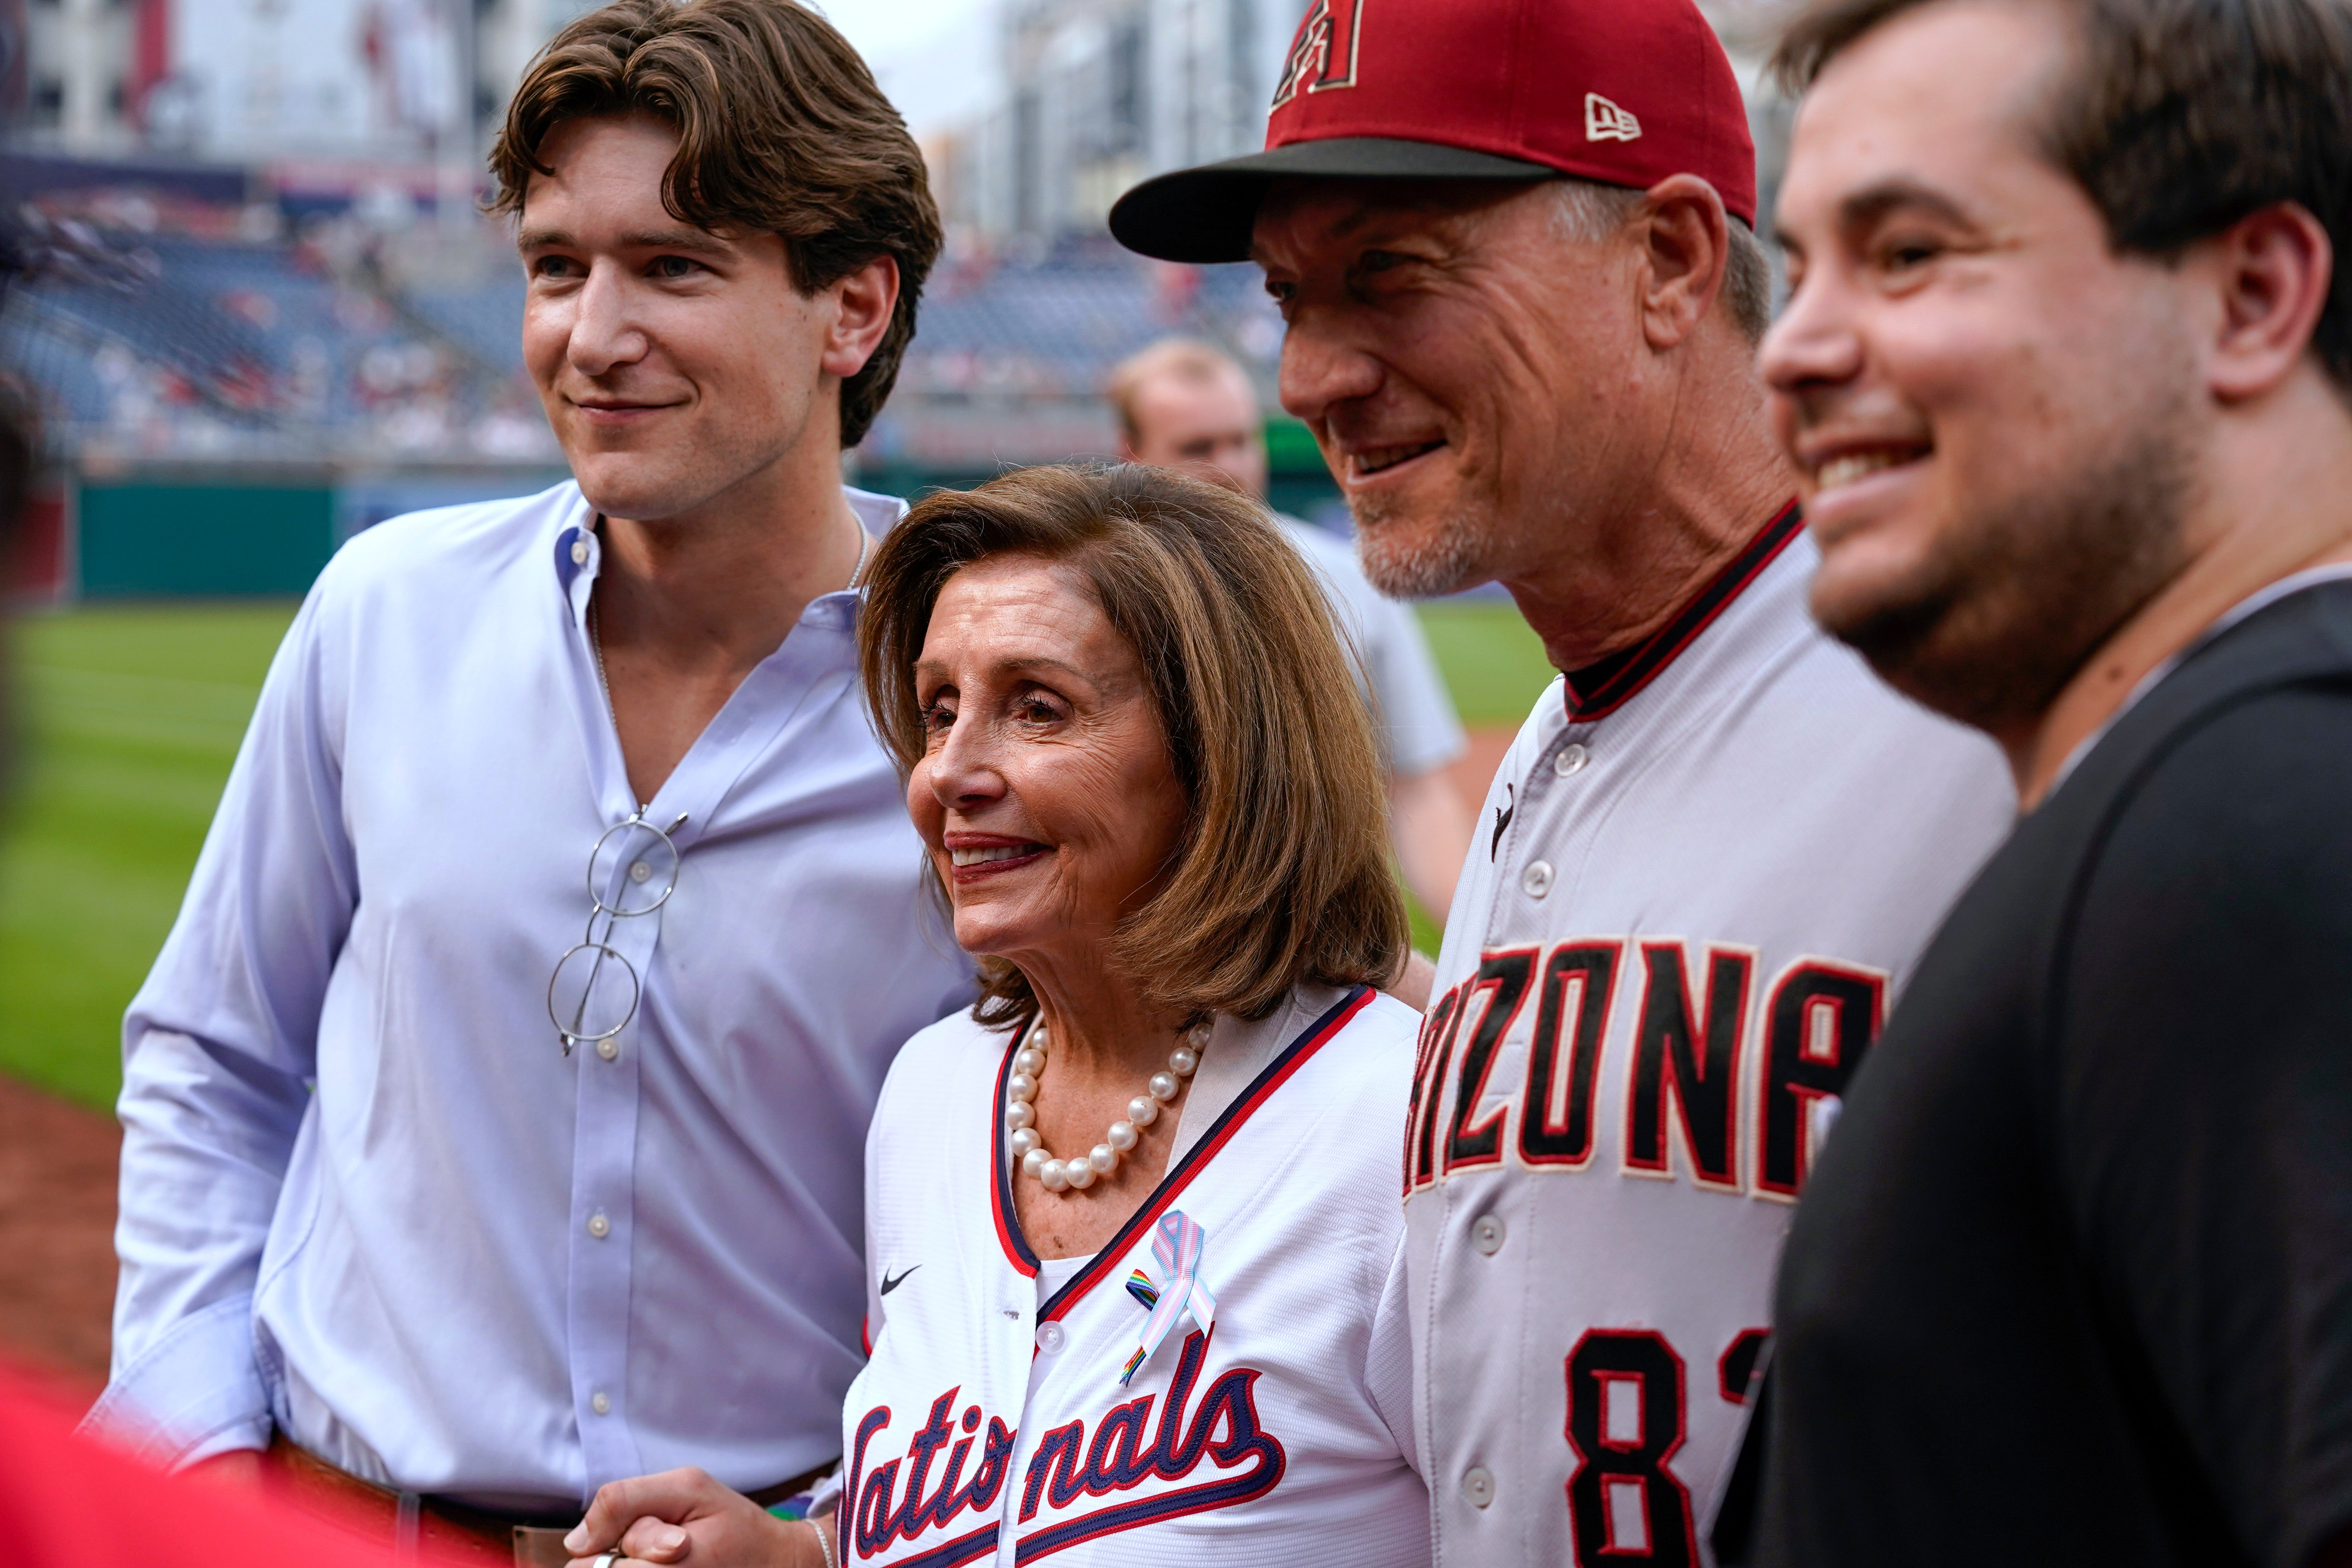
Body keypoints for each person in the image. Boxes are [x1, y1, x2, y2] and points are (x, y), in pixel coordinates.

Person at [1105, 0, 2015, 1561]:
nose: (1310, 375)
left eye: (1393, 273)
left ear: (1668, 261)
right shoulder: (1552, 746)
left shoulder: (1986, 715)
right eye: (1290, 297)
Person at [89, 1, 971, 1559]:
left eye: (674, 267)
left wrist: (839, 1540)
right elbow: (217, 1058)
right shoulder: (385, 611)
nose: (592, 335)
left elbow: (1074, 1205)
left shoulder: (984, 701)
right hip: (340, 1525)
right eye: (558, 266)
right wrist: (196, 1454)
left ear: (853, 307)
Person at [1711, 0, 2352, 1560]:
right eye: (1800, 267)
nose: (1795, 347)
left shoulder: (2263, 815)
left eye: (1909, 253)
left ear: (2253, 297)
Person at [557, 464, 1430, 1568]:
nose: (948, 775)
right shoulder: (936, 1087)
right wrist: (804, 1555)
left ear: (1221, 751)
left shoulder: (1403, 1129)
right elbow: (972, 1505)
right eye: (939, 711)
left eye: (1038, 708)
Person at [1109, 338, 1474, 918]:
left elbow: (1419, 792)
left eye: (1241, 440)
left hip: (1320, 940)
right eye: (1198, 447)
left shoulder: (1354, 582)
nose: (1230, 467)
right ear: (1133, 454)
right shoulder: (1091, 596)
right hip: (1144, 942)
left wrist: (1473, 944)